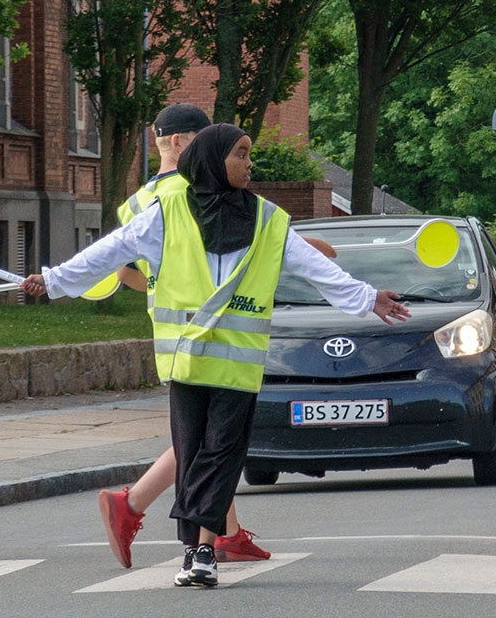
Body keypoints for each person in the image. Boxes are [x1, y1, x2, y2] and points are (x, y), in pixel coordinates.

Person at [21, 123, 410, 588]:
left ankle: (203, 550)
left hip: (237, 365)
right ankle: (196, 552)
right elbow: (111, 251)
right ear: (211, 159)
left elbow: (317, 269)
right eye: (240, 154)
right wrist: (54, 280)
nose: (249, 163)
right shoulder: (166, 213)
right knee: (193, 456)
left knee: (221, 454)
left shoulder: (267, 219)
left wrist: (368, 298)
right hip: (186, 361)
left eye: (249, 153)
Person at [92, 104, 270, 568]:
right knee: (212, 437)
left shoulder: (139, 199)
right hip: (213, 328)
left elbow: (127, 273)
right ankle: (134, 504)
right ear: (179, 142)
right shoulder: (188, 192)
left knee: (205, 432)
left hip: (171, 334)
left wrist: (164, 287)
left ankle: (225, 533)